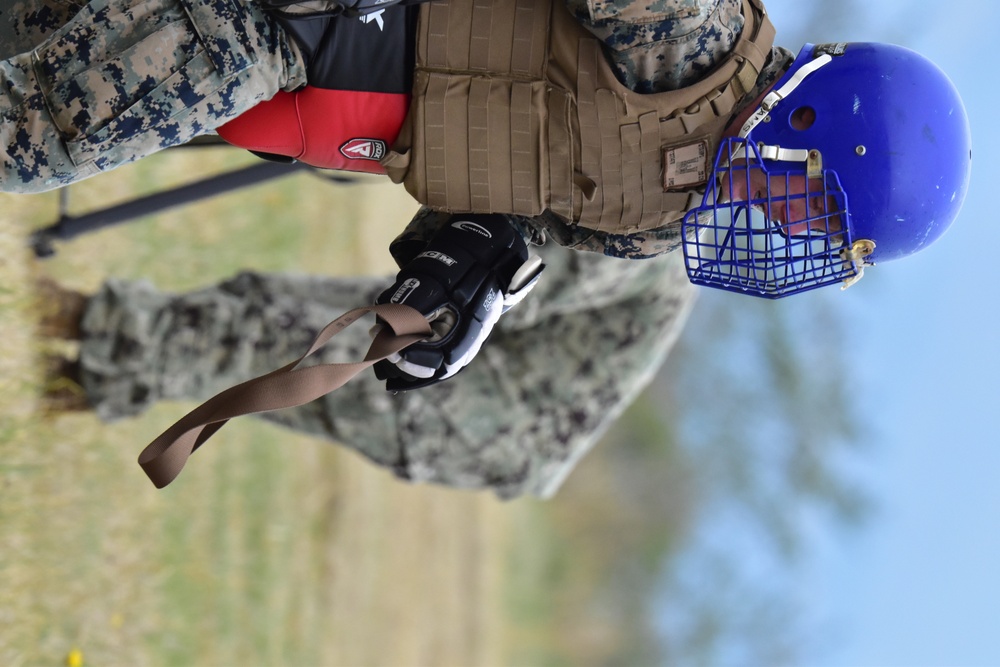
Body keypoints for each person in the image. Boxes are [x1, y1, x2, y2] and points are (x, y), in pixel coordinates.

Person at [6, 2, 971, 395]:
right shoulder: (698, 33)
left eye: (824, 238)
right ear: (816, 124)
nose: (793, 226)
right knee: (30, 133)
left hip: (313, 102)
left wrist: (463, 270)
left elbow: (520, 190)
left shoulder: (659, 221)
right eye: (821, 209)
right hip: (295, 23)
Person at [37, 240, 697, 499]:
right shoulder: (652, 214)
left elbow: (506, 291)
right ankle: (82, 381)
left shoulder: (656, 243)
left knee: (266, 341)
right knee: (260, 297)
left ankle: (71, 317)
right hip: (470, 362)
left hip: (484, 413)